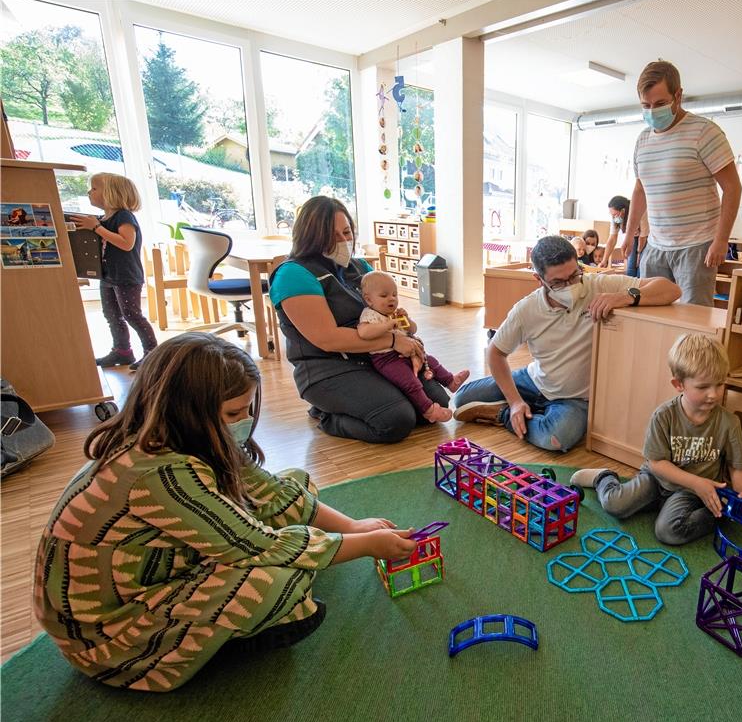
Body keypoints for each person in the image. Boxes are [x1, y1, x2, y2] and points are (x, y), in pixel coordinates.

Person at [33, 333, 420, 692]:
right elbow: (260, 548)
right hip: (109, 639)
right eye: (233, 414)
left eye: (245, 411)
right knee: (276, 582)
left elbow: (271, 491)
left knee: (294, 481)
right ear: (189, 411)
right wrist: (366, 544)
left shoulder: (179, 437)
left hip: (153, 574)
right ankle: (205, 645)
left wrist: (352, 527)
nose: (245, 422)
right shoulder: (161, 473)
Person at [452, 235, 680, 452]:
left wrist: (626, 297)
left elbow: (671, 289)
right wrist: (515, 401)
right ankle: (520, 407)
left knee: (556, 438)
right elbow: (495, 353)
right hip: (535, 379)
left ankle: (501, 415)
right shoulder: (527, 309)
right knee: (461, 400)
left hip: (574, 398)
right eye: (558, 282)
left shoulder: (598, 285)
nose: (571, 285)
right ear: (539, 280)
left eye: (574, 275)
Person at [269, 196, 442, 443]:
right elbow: (328, 339)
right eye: (332, 235)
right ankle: (326, 414)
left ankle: (381, 400)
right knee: (396, 420)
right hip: (326, 369)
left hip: (374, 359)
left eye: (346, 232)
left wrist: (410, 342)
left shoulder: (360, 267)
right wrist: (393, 342)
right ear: (311, 236)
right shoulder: (294, 274)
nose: (343, 241)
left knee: (436, 404)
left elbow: (387, 310)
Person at [569, 334, 742, 545]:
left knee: (668, 532)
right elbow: (656, 463)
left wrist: (740, 492)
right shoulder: (664, 416)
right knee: (614, 505)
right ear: (679, 384)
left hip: (691, 493)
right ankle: (603, 477)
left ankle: (716, 512)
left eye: (719, 385)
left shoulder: (729, 422)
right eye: (703, 387)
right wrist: (697, 482)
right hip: (657, 479)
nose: (713, 394)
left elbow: (737, 465)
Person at [619, 61, 742, 305]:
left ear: (678, 96)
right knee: (649, 314)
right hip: (655, 247)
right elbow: (640, 189)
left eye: (660, 104)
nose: (653, 111)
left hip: (696, 247)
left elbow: (732, 188)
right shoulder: (642, 140)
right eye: (646, 106)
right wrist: (630, 232)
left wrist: (720, 240)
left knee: (692, 321)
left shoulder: (704, 132)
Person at [70, 173, 158, 371]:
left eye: (94, 188)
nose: (89, 192)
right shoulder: (103, 218)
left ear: (111, 193)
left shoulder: (123, 216)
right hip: (108, 275)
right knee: (111, 314)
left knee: (132, 314)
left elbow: (127, 243)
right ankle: (122, 350)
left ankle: (153, 353)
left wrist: (97, 228)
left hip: (126, 276)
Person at [357, 270, 468, 423]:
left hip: (408, 352)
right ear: (369, 300)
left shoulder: (395, 313)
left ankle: (451, 381)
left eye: (394, 295)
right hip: (387, 359)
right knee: (410, 382)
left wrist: (407, 319)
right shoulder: (370, 314)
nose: (392, 299)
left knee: (432, 361)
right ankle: (429, 410)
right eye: (384, 296)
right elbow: (364, 333)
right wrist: (387, 325)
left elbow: (413, 329)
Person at [600, 195, 649, 276]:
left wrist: (639, 255)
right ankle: (630, 286)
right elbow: (612, 238)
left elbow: (643, 236)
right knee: (630, 266)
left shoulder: (640, 211)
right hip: (633, 237)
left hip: (646, 237)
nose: (613, 217)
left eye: (615, 214)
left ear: (623, 211)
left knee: (641, 266)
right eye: (612, 214)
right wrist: (604, 260)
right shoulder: (616, 218)